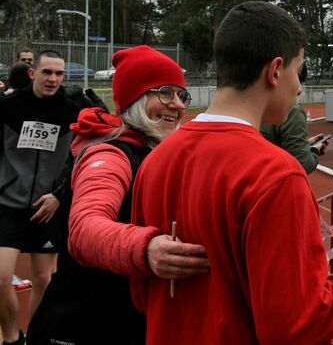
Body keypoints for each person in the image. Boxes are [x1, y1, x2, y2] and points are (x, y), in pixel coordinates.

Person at [130, 1, 333, 344]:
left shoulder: (155, 160)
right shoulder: (276, 174)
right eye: (298, 71)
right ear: (275, 71)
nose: (300, 88)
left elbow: (143, 295)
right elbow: (296, 325)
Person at [26, 45, 210, 345]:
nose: (177, 105)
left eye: (181, 95)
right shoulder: (111, 153)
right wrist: (146, 248)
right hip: (81, 326)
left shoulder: (154, 152)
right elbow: (85, 229)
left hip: (122, 322)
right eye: (164, 93)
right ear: (135, 99)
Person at [0, 50, 81, 345]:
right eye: (47, 72)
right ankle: (11, 337)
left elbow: (78, 159)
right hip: (8, 203)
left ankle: (35, 337)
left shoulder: (72, 112)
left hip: (47, 207)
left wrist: (59, 196)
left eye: (59, 74)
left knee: (44, 280)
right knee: (1, 278)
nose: (53, 79)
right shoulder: (8, 107)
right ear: (33, 73)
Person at [260, 65, 329, 173]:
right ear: (274, 74)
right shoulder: (292, 112)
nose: (300, 89)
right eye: (297, 77)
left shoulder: (249, 111)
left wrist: (301, 145)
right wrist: (314, 151)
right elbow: (302, 164)